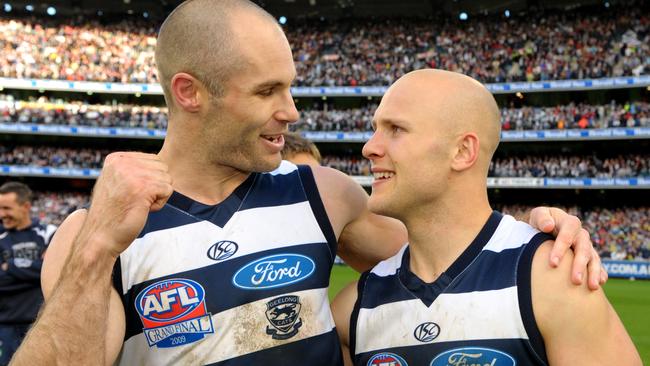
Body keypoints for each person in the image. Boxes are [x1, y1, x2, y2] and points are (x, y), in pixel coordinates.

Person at [10, 1, 604, 365]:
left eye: (289, 87)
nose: (291, 111)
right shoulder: (92, 237)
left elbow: (457, 256)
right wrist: (95, 249)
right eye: (268, 91)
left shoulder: (323, 193)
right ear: (190, 93)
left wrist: (541, 233)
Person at [331, 69, 640, 365]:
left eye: (395, 129)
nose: (369, 147)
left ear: (463, 151)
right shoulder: (355, 309)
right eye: (375, 129)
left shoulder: (551, 280)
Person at [0, 182, 56, 365]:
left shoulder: (49, 233)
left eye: (7, 208)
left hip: (42, 324)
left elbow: (57, 272)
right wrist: (37, 270)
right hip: (5, 327)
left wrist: (12, 265)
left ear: (25, 206)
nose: (2, 215)